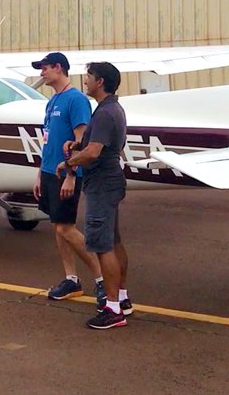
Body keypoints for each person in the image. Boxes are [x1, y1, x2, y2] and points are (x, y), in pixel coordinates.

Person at [57, 61, 132, 329]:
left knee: (103, 245)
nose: (85, 81)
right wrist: (79, 143)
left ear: (100, 82)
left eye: (89, 77)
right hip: (112, 180)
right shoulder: (113, 108)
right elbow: (96, 144)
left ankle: (112, 308)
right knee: (114, 240)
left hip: (101, 182)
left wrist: (68, 163)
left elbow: (93, 153)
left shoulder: (103, 113)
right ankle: (122, 297)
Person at [31, 52, 105, 307]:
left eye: (44, 69)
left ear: (58, 68)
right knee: (57, 226)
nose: (41, 74)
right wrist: (41, 173)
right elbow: (48, 140)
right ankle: (71, 278)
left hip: (67, 174)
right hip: (52, 172)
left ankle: (102, 279)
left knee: (66, 227)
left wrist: (71, 175)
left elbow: (80, 141)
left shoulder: (75, 100)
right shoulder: (52, 101)